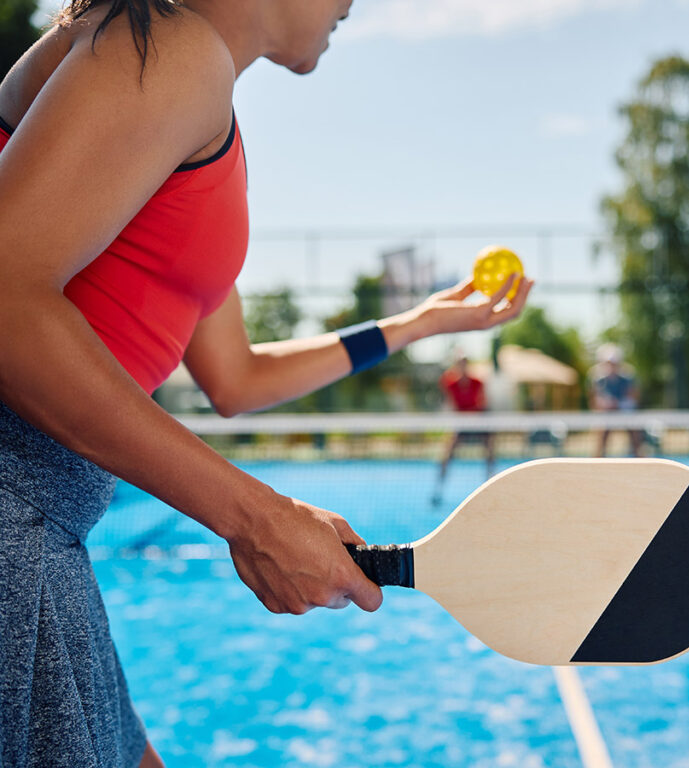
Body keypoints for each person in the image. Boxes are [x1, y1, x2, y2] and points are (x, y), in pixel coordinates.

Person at [0, 2, 533, 765]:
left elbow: (236, 379)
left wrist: (415, 325)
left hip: (48, 520)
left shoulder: (195, 97)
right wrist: (255, 518)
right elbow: (5, 300)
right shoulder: (174, 48)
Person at [433, 353, 495, 505]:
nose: (462, 367)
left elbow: (483, 402)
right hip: (461, 424)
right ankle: (438, 490)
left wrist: (475, 417)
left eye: (464, 364)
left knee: (490, 451)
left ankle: (491, 486)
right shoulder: (450, 383)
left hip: (478, 422)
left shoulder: (477, 382)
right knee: (447, 455)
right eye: (459, 364)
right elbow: (450, 399)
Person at [588, 343, 644, 457]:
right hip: (606, 415)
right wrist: (605, 405)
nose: (611, 366)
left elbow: (633, 398)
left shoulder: (628, 378)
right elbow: (595, 402)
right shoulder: (598, 379)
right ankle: (597, 462)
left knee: (635, 434)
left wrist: (618, 404)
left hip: (625, 413)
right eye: (608, 363)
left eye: (614, 363)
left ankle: (640, 458)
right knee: (601, 433)